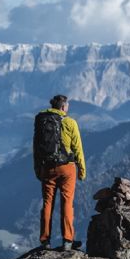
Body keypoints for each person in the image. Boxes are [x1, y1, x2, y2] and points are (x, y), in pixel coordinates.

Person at [33, 94, 86, 250]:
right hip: (67, 168)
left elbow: (36, 147)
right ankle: (67, 241)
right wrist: (82, 170)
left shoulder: (42, 121)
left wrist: (38, 169)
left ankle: (45, 240)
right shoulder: (70, 122)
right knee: (67, 203)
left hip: (47, 167)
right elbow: (78, 148)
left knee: (47, 203)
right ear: (64, 107)